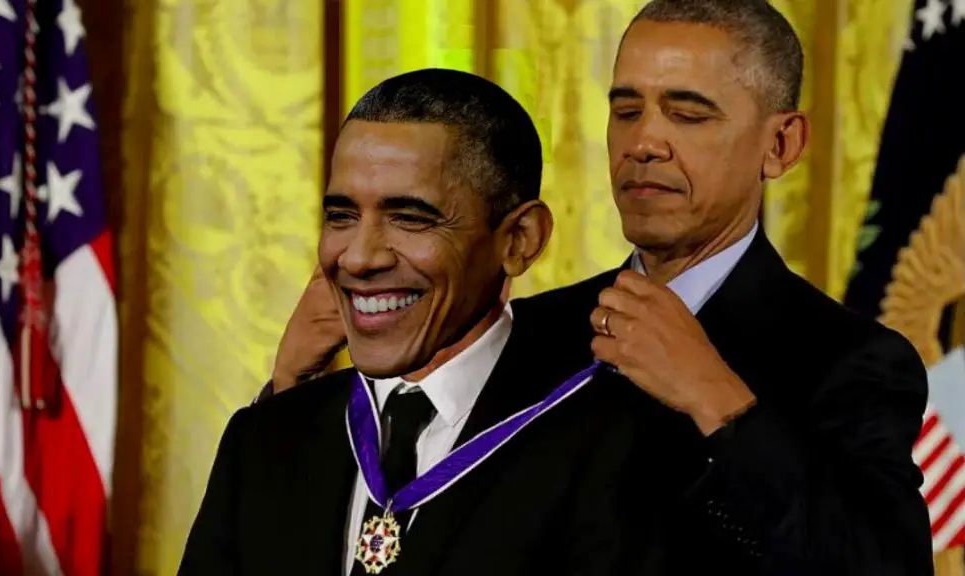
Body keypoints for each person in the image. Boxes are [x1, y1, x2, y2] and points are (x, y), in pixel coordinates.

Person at [265, 1, 934, 574]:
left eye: (687, 114)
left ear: (781, 145)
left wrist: (716, 401)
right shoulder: (523, 333)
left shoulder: (850, 360)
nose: (644, 144)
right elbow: (402, 527)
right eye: (627, 111)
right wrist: (290, 393)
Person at [181, 68, 635, 575]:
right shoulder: (264, 439)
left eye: (410, 218)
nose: (358, 258)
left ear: (518, 240)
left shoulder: (613, 446)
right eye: (341, 216)